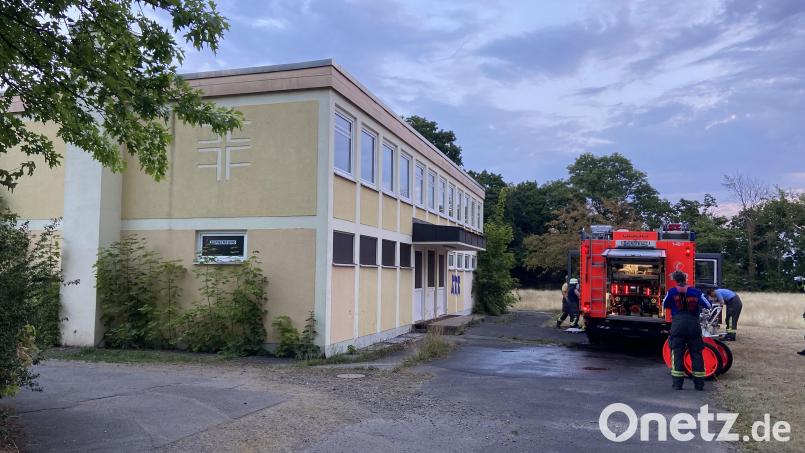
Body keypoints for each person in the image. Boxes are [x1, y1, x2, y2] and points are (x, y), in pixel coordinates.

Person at [663, 270, 711, 391]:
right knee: (696, 353)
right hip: (693, 325)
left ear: (675, 280)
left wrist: (674, 306)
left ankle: (677, 385)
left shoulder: (671, 292)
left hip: (678, 325)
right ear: (685, 279)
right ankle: (699, 385)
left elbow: (664, 304)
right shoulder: (696, 292)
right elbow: (708, 305)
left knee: (677, 353)